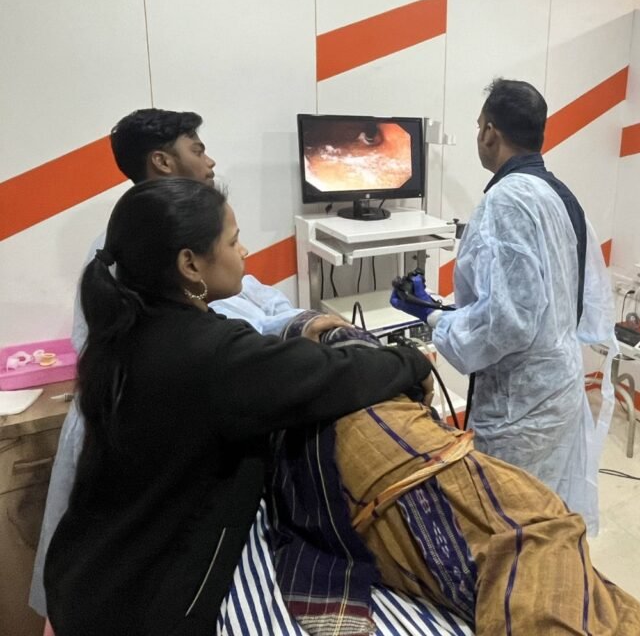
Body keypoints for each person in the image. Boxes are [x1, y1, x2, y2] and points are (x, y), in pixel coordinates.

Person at [43, 178, 433, 635]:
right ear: (190, 264)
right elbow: (332, 375)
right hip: (144, 606)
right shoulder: (207, 355)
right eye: (232, 241)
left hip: (85, 576)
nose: (244, 252)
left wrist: (292, 331)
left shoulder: (129, 328)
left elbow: (254, 359)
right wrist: (412, 361)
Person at [30, 109, 344, 621]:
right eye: (197, 149)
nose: (210, 160)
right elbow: (214, 345)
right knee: (145, 579)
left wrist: (296, 321)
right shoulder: (134, 257)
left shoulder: (182, 236)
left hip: (172, 444)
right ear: (162, 161)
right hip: (151, 454)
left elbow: (253, 300)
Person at [269, 318, 640, 635]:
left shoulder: (300, 342)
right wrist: (419, 353)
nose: (245, 255)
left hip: (404, 424)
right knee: (541, 531)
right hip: (379, 439)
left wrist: (435, 332)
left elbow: (504, 326)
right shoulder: (250, 345)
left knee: (545, 532)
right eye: (237, 247)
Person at [390, 79, 616, 533]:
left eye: (479, 126)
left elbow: (507, 324)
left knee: (505, 525)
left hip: (520, 408)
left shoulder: (506, 201)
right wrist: (451, 312)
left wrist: (433, 318)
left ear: (490, 132)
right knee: (545, 516)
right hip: (560, 385)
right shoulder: (559, 194)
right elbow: (561, 295)